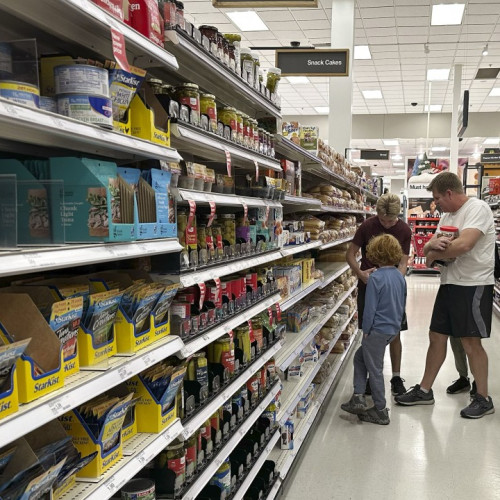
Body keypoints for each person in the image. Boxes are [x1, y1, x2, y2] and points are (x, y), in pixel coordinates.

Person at [395, 172, 495, 418]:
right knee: (436, 336)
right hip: (449, 283)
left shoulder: (477, 209)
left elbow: (464, 245)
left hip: (472, 285)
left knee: (471, 342)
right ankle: (424, 390)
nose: (435, 203)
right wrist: (433, 250)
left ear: (449, 193)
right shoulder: (447, 216)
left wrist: (435, 252)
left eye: (437, 198)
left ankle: (483, 398)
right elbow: (427, 250)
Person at [346, 193, 412, 396]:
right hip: (368, 285)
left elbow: (403, 262)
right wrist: (361, 274)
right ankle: (371, 377)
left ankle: (396, 377)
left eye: (390, 221)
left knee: (395, 332)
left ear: (397, 215)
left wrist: (395, 280)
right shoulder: (367, 226)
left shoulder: (404, 230)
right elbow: (350, 254)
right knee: (369, 334)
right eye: (383, 220)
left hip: (392, 289)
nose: (386, 224)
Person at [341, 234, 407, 425]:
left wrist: (366, 330)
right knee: (360, 357)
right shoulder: (399, 276)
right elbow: (402, 302)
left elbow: (369, 309)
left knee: (375, 369)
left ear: (374, 254)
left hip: (376, 330)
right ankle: (358, 397)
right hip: (392, 329)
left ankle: (380, 409)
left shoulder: (375, 278)